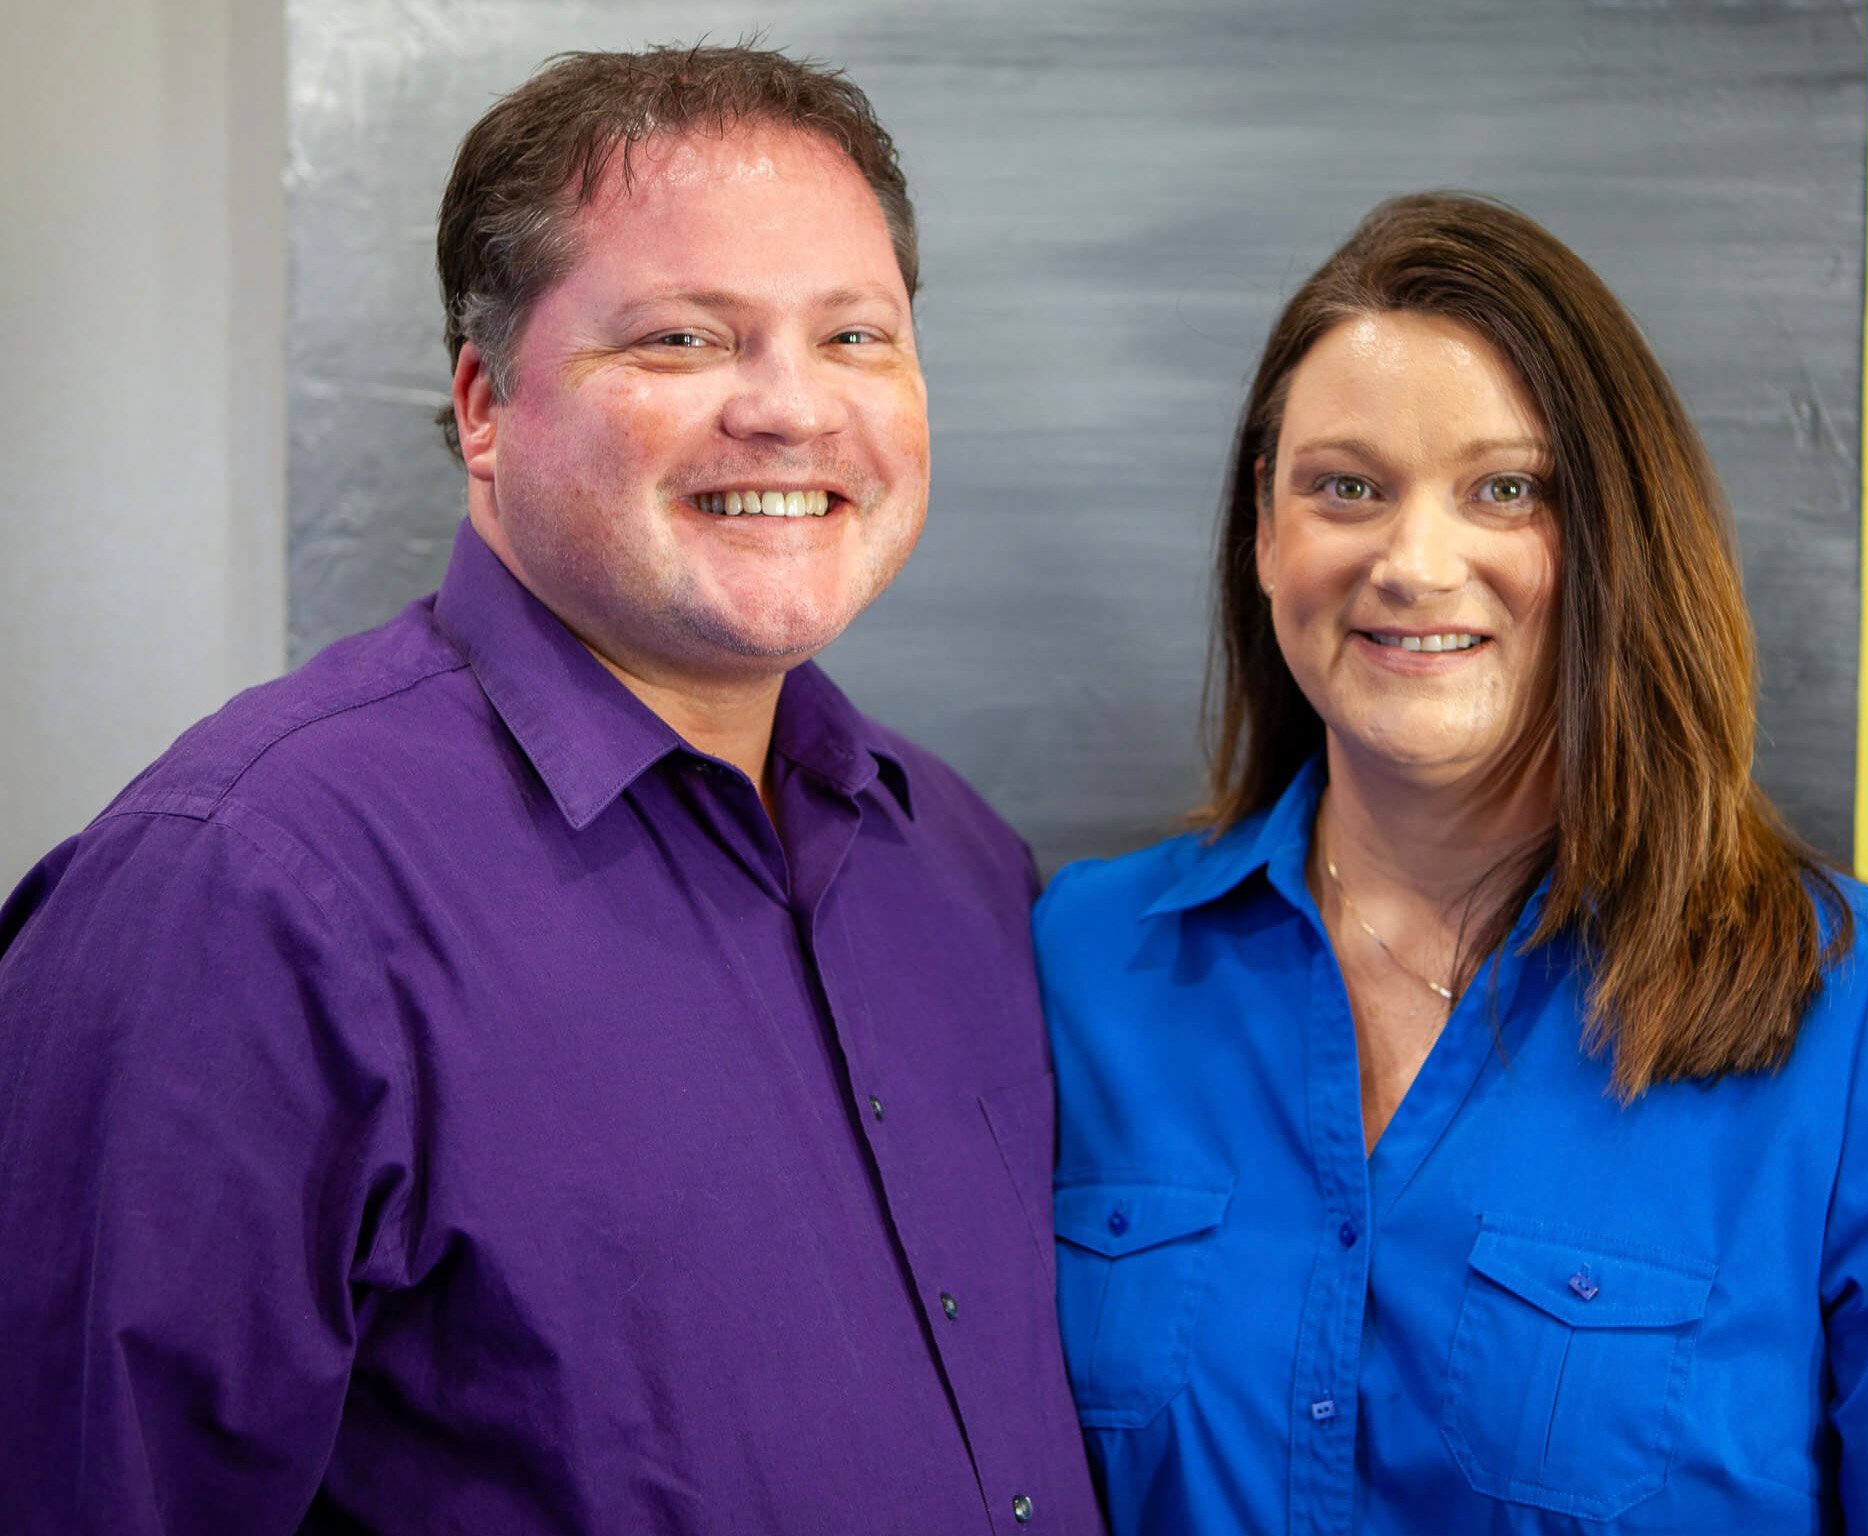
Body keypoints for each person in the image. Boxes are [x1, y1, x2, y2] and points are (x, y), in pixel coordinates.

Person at [0, 45, 1100, 1535]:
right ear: (482, 405)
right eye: (682, 340)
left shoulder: (959, 863)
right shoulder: (240, 894)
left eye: (854, 336)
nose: (790, 411)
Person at [1035, 192, 1868, 1534]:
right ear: (1264, 542)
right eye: (1346, 487)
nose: (1414, 561)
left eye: (1505, 491)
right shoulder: (1079, 964)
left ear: (1618, 541)